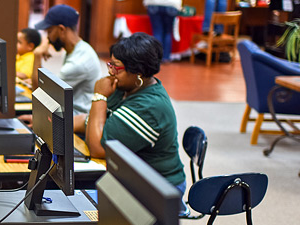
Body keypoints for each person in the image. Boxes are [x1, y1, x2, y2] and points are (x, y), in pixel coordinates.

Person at [75, 32, 188, 216]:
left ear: (139, 73)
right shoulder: (127, 87)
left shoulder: (149, 107)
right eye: (110, 64)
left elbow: (98, 148)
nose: (110, 72)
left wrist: (99, 96)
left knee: (77, 199)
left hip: (157, 187)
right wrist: (55, 122)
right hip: (129, 176)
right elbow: (92, 122)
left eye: (116, 67)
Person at [18, 4, 102, 127]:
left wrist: (37, 55)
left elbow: (40, 96)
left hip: (76, 124)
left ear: (61, 30)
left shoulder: (79, 62)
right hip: (65, 114)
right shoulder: (78, 49)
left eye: (49, 31)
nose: (47, 37)